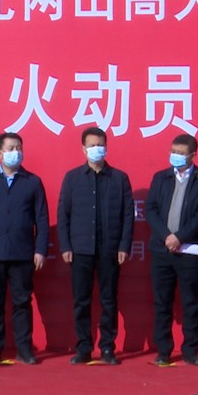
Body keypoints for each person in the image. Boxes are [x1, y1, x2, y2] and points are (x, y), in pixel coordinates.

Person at [0, 132, 49, 365]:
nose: (16, 152)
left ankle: (24, 349)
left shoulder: (32, 182)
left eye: (19, 147)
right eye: (11, 148)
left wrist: (40, 250)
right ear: (0, 153)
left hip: (22, 253)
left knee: (22, 303)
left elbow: (42, 220)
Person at [57, 127, 135, 365]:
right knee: (81, 301)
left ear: (106, 147)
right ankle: (84, 347)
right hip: (80, 249)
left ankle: (108, 348)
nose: (96, 149)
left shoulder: (119, 178)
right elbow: (63, 214)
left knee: (108, 300)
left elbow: (127, 216)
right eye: (91, 145)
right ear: (83, 149)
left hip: (109, 249)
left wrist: (124, 246)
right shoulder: (72, 178)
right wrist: (65, 246)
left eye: (100, 145)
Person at [146, 134, 198, 366]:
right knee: (162, 302)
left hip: (189, 251)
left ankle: (190, 350)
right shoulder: (161, 178)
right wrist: (167, 236)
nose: (175, 156)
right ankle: (163, 350)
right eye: (173, 151)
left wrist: (179, 237)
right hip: (162, 249)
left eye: (181, 153)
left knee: (190, 302)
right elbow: (151, 210)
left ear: (193, 155)